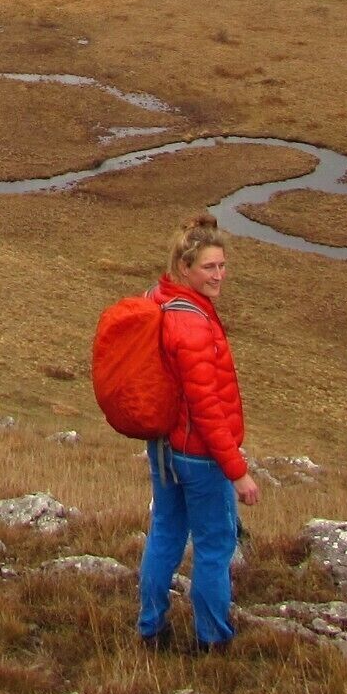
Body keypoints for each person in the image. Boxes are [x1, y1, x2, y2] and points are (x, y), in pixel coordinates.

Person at [137, 211, 261, 652]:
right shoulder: (190, 323)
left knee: (165, 533)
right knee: (214, 546)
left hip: (164, 448)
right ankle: (211, 639)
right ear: (184, 267)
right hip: (198, 456)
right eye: (209, 267)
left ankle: (151, 628)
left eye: (223, 265)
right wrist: (238, 471)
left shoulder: (161, 298)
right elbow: (207, 408)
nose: (219, 275)